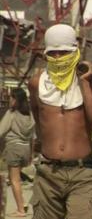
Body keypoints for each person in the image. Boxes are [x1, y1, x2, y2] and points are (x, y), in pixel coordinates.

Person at [28, 24, 92, 219]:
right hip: (48, 172)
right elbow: (39, 119)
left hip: (82, 173)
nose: (57, 58)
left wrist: (83, 82)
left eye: (63, 53)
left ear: (75, 51)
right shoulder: (38, 83)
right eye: (52, 53)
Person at [0, 88, 35, 217]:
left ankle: (20, 209)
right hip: (25, 148)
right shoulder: (29, 114)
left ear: (16, 100)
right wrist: (31, 154)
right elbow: (33, 136)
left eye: (11, 98)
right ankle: (23, 203)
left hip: (14, 148)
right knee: (17, 179)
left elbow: (1, 130)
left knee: (14, 180)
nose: (10, 100)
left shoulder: (12, 113)